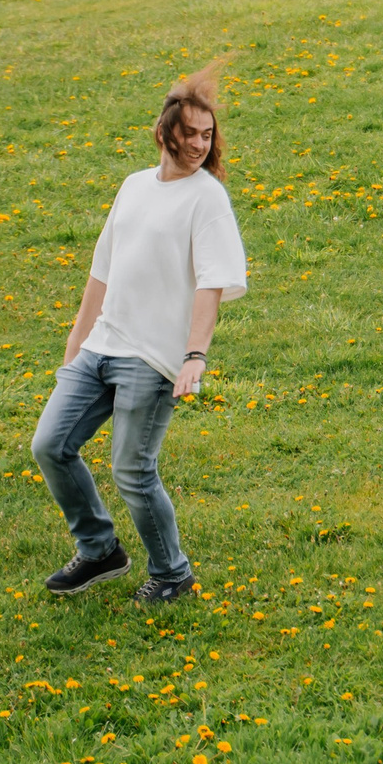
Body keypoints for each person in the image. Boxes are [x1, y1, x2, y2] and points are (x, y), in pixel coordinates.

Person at [32, 65, 245, 601]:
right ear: (164, 131)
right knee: (50, 445)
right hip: (101, 346)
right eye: (190, 133)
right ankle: (100, 550)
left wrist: (194, 355)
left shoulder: (207, 198)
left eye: (207, 135)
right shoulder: (133, 186)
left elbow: (212, 283)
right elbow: (101, 271)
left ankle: (173, 574)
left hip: (151, 359)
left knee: (131, 468)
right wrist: (76, 344)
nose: (199, 144)